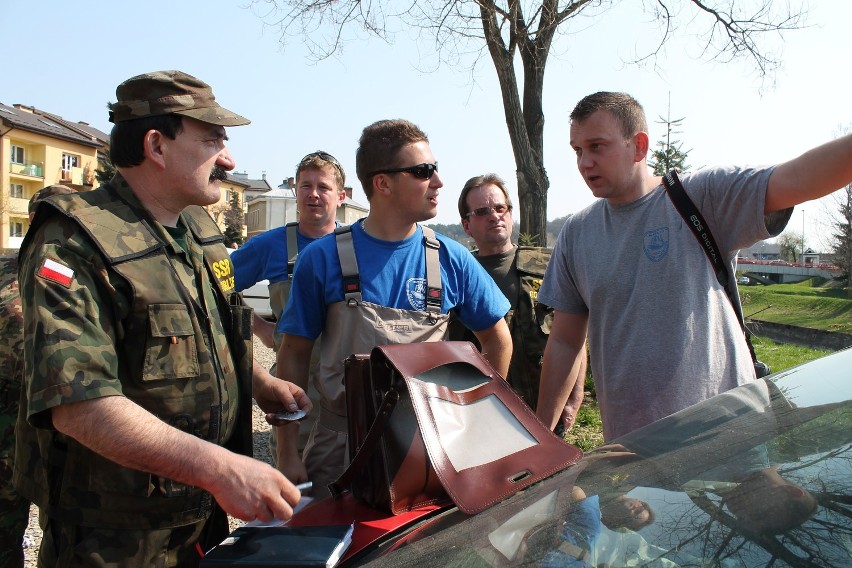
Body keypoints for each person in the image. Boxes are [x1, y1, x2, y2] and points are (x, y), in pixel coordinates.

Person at [13, 70, 312, 567]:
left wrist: (258, 381)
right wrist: (221, 469)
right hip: (114, 537)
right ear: (156, 144)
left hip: (200, 517)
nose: (229, 158)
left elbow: (212, 328)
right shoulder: (72, 241)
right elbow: (80, 404)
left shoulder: (197, 227)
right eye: (213, 140)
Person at [536, 91, 852, 441]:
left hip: (731, 437)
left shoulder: (700, 196)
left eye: (597, 146)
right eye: (577, 150)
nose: (584, 163)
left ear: (639, 146)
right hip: (632, 449)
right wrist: (540, 438)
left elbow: (796, 179)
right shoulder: (576, 234)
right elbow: (565, 341)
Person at [275, 119, 513, 496]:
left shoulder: (452, 259)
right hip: (340, 450)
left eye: (434, 169)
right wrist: (286, 451)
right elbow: (294, 355)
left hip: (434, 448)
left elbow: (498, 341)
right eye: (422, 172)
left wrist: (474, 424)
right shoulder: (322, 259)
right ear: (382, 184)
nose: (438, 182)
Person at [230, 150, 346, 464]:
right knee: (296, 478)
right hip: (296, 383)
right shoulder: (269, 246)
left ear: (341, 196)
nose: (314, 194)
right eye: (305, 186)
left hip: (346, 387)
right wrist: (258, 326)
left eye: (323, 187)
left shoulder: (355, 247)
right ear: (295, 192)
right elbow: (213, 286)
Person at [453, 173, 586, 433]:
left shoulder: (549, 265)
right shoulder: (456, 273)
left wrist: (575, 395)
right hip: (481, 416)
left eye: (500, 208)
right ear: (467, 226)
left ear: (511, 214)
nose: (494, 216)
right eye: (482, 211)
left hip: (545, 412)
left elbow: (575, 335)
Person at [0, 185, 74, 568]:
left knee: (61, 531)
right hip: (6, 423)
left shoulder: (82, 278)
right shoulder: (6, 269)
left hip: (60, 430)